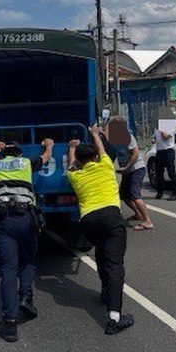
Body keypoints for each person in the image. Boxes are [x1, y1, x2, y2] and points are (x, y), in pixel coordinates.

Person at [0, 138, 54, 342]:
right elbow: (46, 157)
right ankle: (25, 296)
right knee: (29, 260)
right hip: (26, 218)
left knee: (8, 269)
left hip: (3, 219)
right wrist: (49, 145)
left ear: (3, 155)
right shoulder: (25, 163)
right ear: (20, 154)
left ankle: (10, 323)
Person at [67, 126, 135, 335]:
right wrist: (95, 134)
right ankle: (114, 318)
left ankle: (106, 291)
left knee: (100, 252)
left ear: (79, 161)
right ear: (96, 157)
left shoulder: (75, 176)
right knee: (115, 265)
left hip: (88, 222)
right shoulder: (105, 166)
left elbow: (71, 164)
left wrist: (72, 147)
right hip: (112, 219)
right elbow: (102, 151)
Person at [116, 132, 153, 230]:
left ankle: (148, 221)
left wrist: (126, 167)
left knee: (134, 194)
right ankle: (138, 214)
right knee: (123, 195)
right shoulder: (114, 140)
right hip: (126, 171)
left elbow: (135, 154)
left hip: (137, 169)